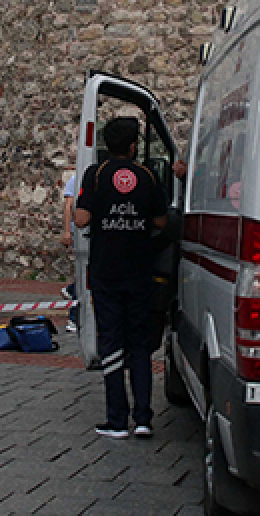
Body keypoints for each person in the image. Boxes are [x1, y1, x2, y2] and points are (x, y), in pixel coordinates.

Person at [74, 117, 168, 439]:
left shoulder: (96, 174)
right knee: (140, 343)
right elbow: (161, 220)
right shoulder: (147, 175)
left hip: (106, 271)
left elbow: (81, 218)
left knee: (111, 342)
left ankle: (117, 420)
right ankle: (143, 419)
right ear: (132, 146)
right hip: (140, 271)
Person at [60, 172, 80, 333]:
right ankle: (73, 318)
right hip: (79, 233)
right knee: (85, 274)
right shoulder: (76, 179)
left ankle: (71, 289)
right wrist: (67, 231)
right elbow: (69, 205)